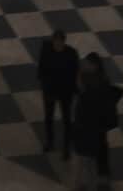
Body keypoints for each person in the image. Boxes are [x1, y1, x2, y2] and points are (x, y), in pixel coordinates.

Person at [73, 52, 123, 188]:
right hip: (90, 125)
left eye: (87, 64)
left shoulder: (96, 84)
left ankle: (84, 183)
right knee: (88, 156)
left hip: (90, 125)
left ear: (94, 66)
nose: (84, 65)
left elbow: (87, 100)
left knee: (86, 157)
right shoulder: (92, 79)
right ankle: (87, 182)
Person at [36, 30, 79, 158]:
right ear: (53, 41)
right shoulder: (46, 49)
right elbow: (41, 68)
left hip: (65, 92)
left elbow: (75, 72)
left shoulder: (71, 53)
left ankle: (66, 148)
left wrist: (74, 88)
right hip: (50, 90)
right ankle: (50, 142)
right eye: (56, 42)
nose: (57, 45)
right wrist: (44, 83)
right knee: (48, 117)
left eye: (60, 43)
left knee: (66, 120)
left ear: (64, 42)